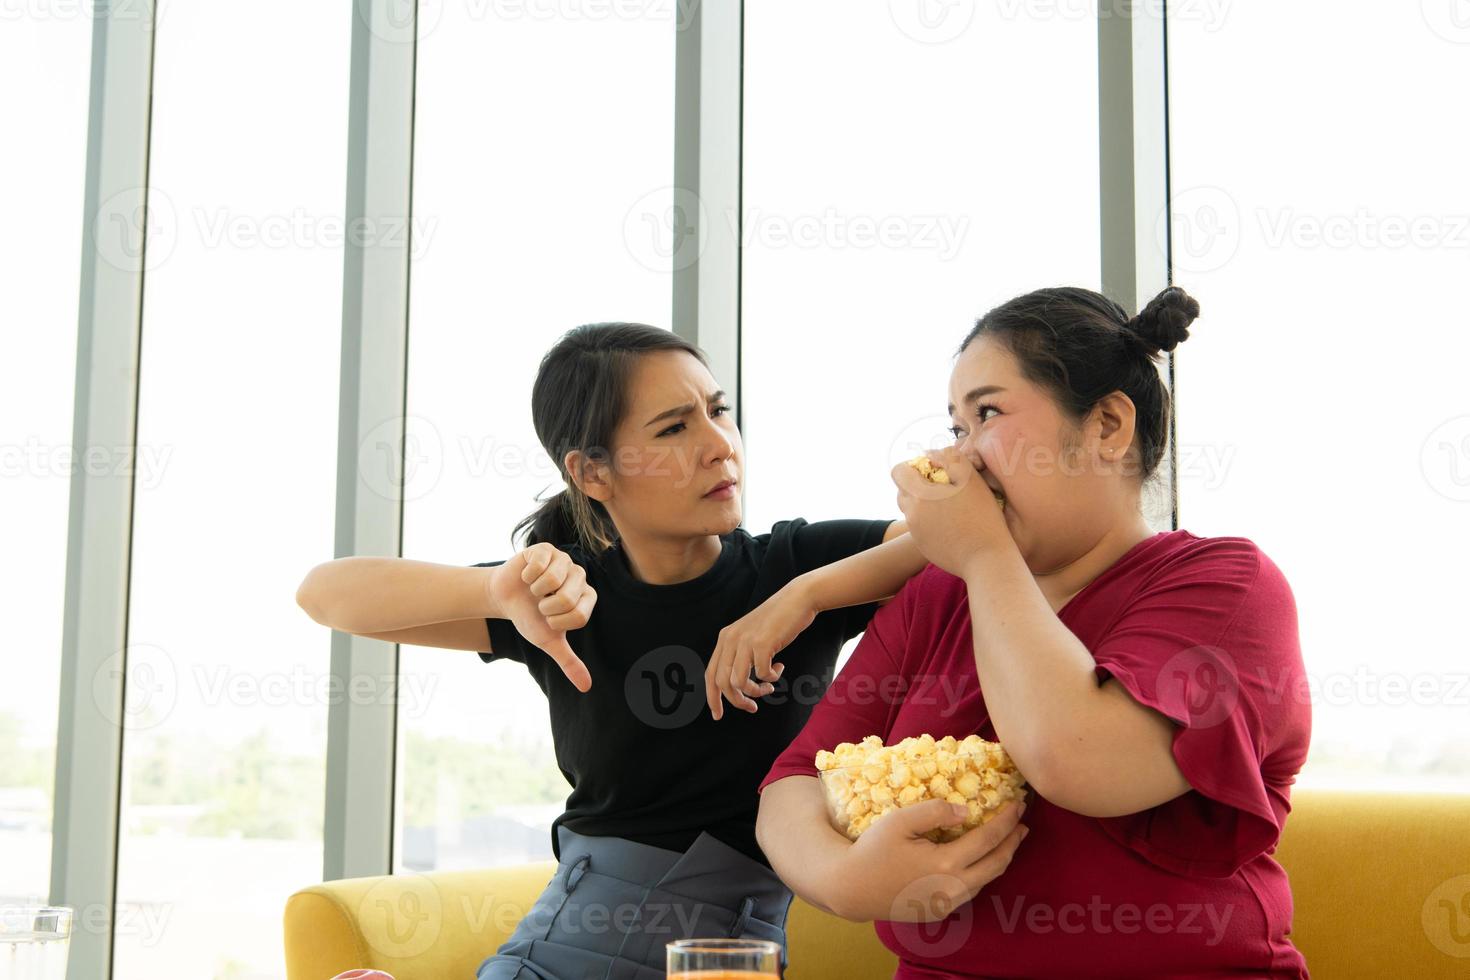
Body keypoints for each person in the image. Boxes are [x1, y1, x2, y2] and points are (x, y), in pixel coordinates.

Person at [297, 322, 931, 979]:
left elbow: (973, 535)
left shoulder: (795, 566)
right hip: (564, 954)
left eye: (718, 412)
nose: (720, 447)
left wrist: (803, 597)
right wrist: (493, 588)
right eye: (674, 428)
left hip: (730, 956)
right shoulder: (563, 598)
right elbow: (324, 595)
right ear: (592, 471)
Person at [756, 287, 1312, 978]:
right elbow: (795, 781)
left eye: (987, 413)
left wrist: (985, 554)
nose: (958, 460)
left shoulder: (1225, 586)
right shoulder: (939, 595)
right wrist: (843, 881)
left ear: (1107, 424)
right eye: (956, 428)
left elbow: (1074, 758)